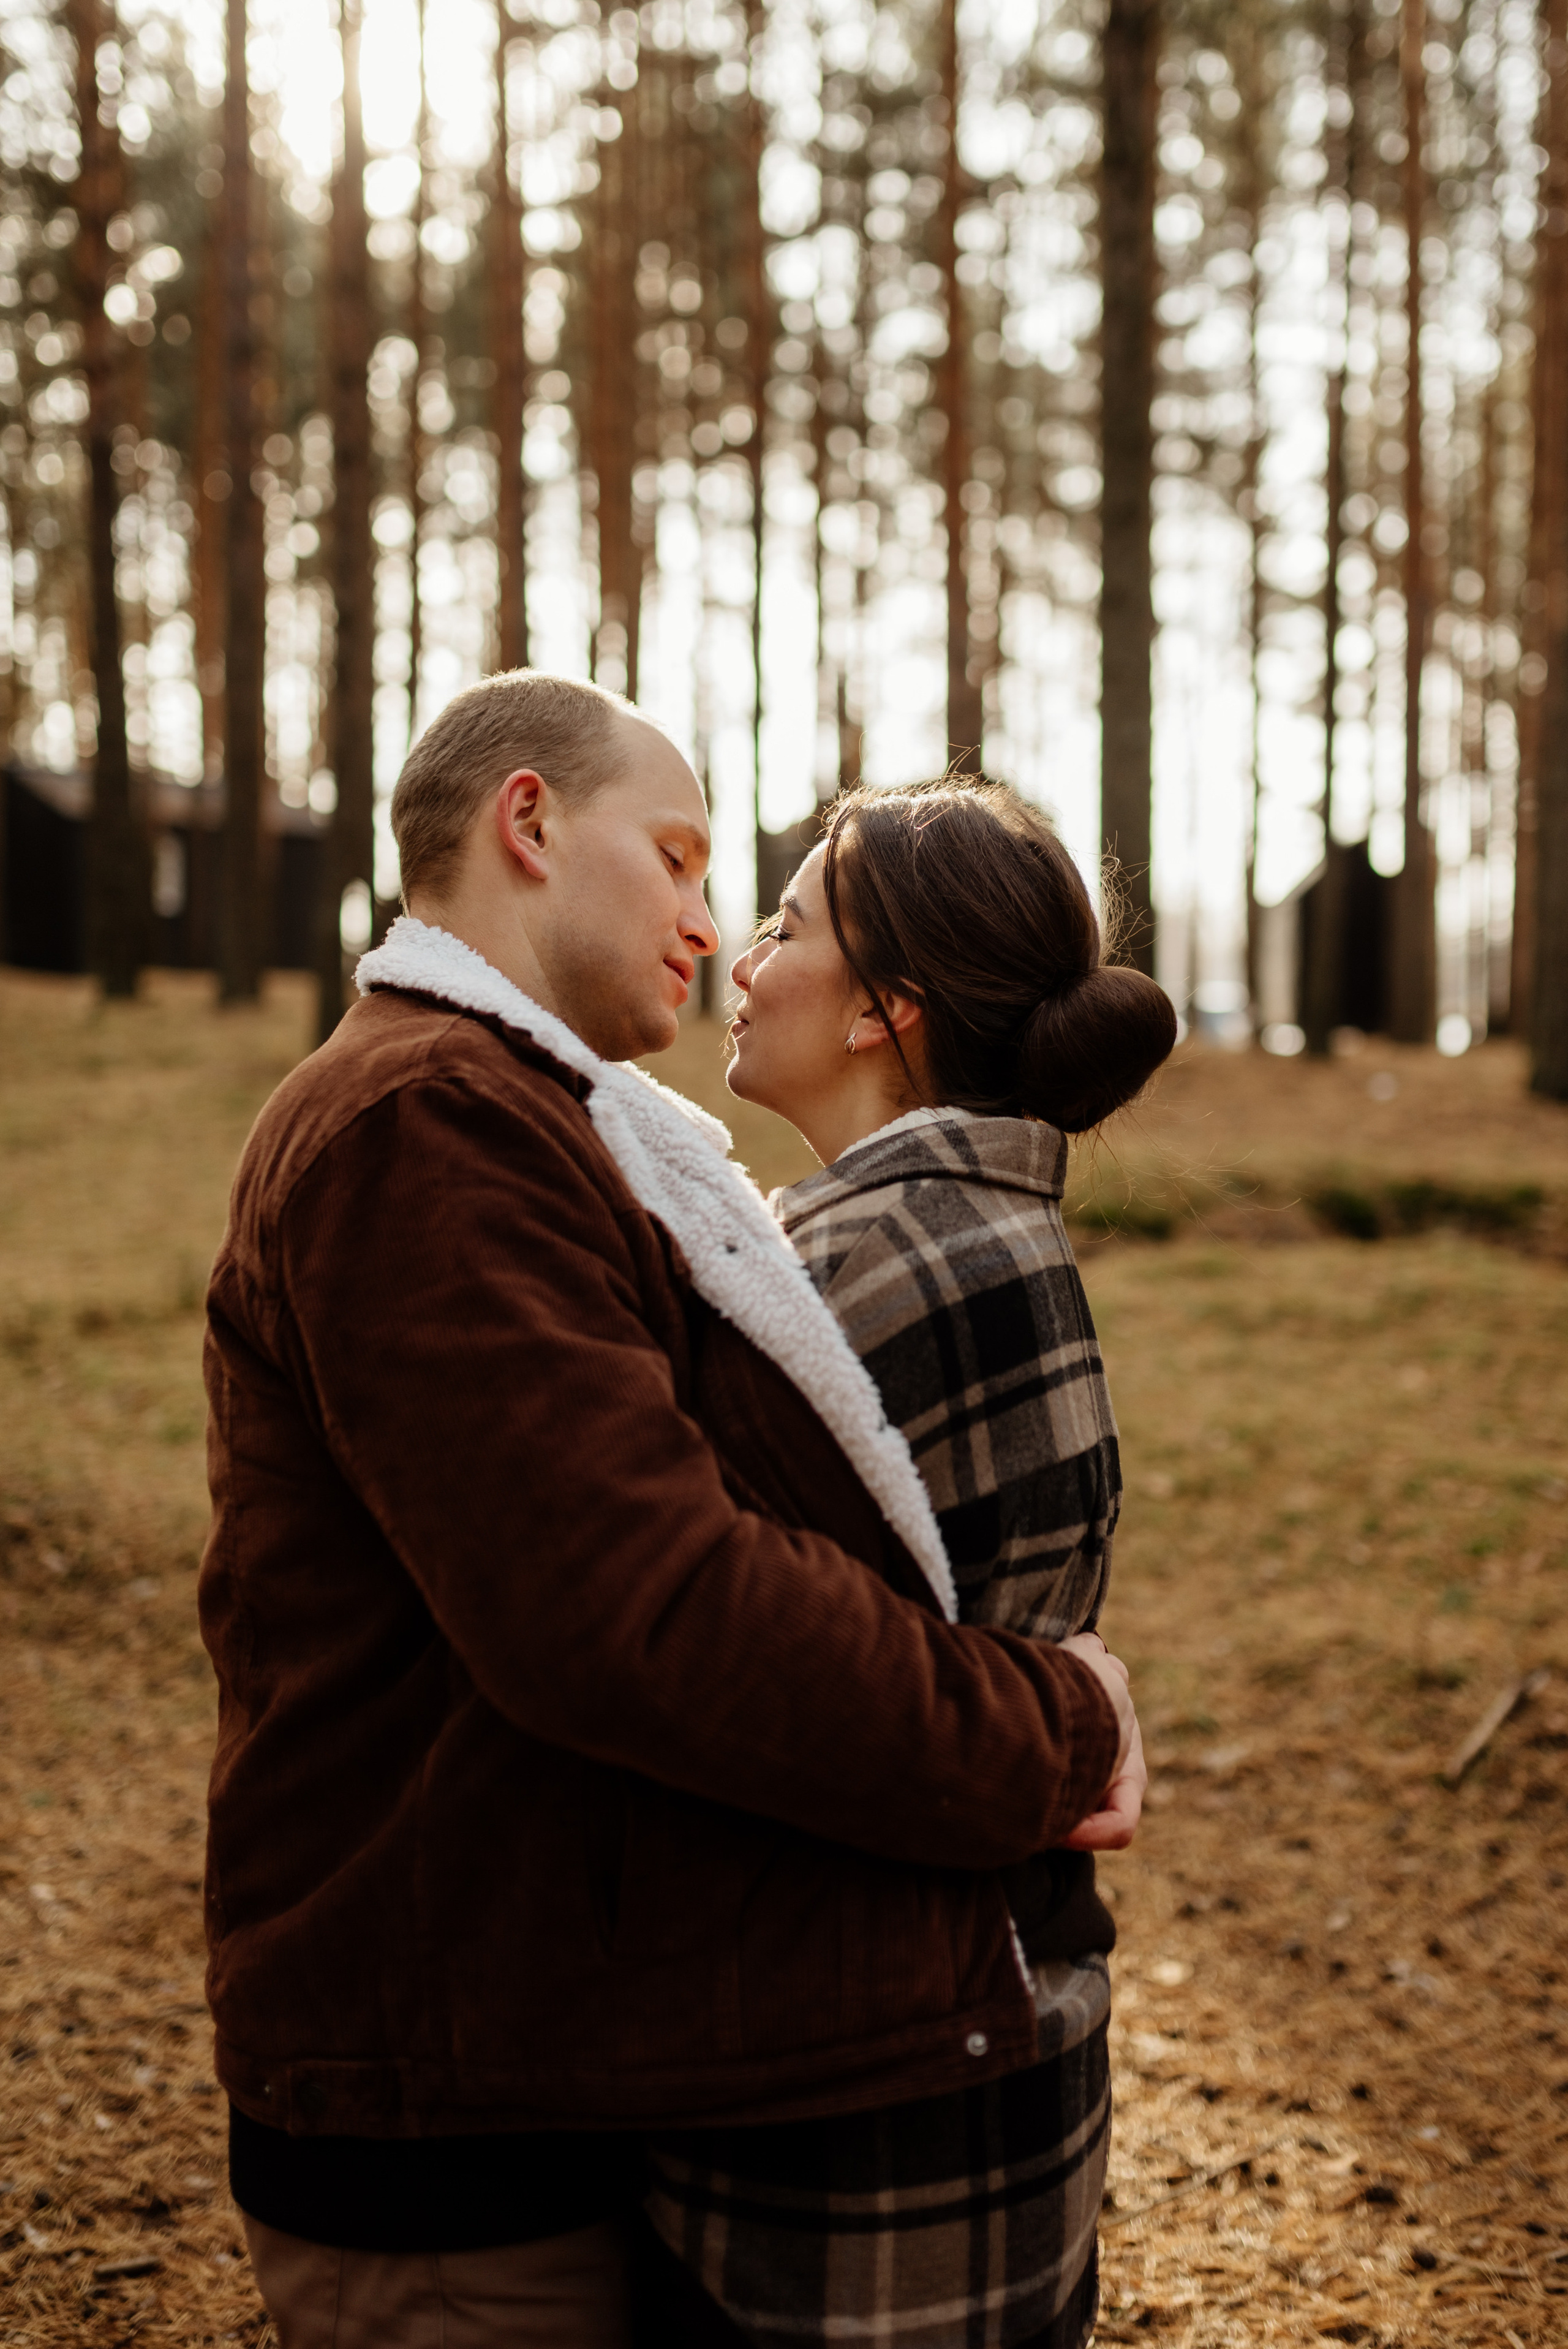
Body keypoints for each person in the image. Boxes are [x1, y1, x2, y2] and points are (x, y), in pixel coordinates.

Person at [198, 672, 1140, 2349]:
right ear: (531, 826)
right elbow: (641, 1610)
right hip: (442, 2124)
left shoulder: (518, 1119)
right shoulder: (427, 1126)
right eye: (687, 861)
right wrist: (1053, 1734)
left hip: (518, 2073)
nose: (711, 929)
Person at [640, 778, 1175, 2349]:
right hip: (995, 2050)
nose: (743, 957)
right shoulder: (983, 1225)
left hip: (855, 2123)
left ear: (887, 1009)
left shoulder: (860, 1271)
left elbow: (704, 1661)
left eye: (788, 924)